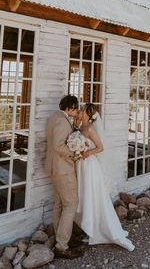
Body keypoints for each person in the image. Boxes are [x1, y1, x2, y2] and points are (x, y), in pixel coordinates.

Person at [74, 103, 135, 252]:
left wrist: (88, 153)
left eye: (81, 110)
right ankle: (91, 228)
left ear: (87, 114)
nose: (79, 112)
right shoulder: (81, 127)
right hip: (80, 165)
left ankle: (102, 230)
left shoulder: (89, 129)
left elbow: (100, 147)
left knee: (92, 196)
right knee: (84, 195)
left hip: (89, 166)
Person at [45, 94, 84, 259]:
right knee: (71, 204)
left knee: (59, 204)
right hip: (62, 169)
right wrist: (75, 153)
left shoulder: (55, 117)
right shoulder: (62, 121)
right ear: (70, 108)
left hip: (54, 168)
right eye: (75, 108)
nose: (77, 111)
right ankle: (62, 246)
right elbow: (59, 146)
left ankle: (61, 238)